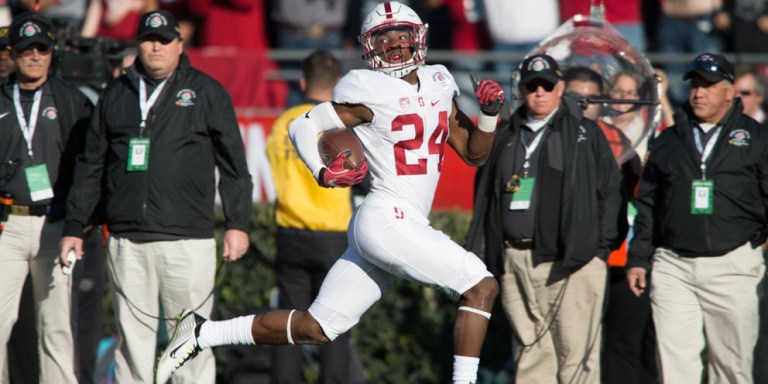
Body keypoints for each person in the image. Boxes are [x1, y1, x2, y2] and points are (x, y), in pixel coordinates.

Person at [155, 2, 504, 384]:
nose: (394, 45)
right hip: (387, 220)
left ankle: (202, 333)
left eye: (400, 35)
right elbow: (303, 125)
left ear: (417, 36)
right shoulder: (367, 89)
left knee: (317, 327)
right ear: (370, 46)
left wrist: (488, 115)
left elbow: (474, 154)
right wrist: (321, 172)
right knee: (480, 285)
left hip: (395, 223)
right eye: (383, 38)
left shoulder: (439, 80)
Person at [58, 9, 253, 384]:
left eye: (164, 40)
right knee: (131, 344)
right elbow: (90, 165)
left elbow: (234, 166)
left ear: (180, 45)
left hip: (188, 239)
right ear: (138, 45)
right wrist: (74, 225)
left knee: (191, 344)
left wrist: (238, 224)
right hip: (128, 240)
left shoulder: (207, 91)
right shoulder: (116, 93)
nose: (156, 47)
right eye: (149, 40)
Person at [466, 54, 622, 384]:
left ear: (560, 88)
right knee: (530, 356)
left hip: (572, 262)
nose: (540, 92)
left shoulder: (584, 132)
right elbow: (484, 199)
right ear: (521, 89)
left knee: (576, 359)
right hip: (515, 259)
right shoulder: (506, 135)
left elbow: (612, 194)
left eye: (547, 85)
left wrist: (597, 252)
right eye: (532, 85)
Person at [626, 53, 768, 384]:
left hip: (732, 264)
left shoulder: (757, 138)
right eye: (695, 84)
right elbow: (648, 203)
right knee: (676, 370)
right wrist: (638, 258)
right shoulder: (669, 140)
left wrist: (757, 242)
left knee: (731, 369)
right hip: (674, 266)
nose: (699, 92)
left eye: (708, 85)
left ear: (730, 91)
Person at [0, 12, 94, 384]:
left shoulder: (71, 101)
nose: (35, 56)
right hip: (6, 224)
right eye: (26, 50)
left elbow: (90, 166)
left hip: (55, 225)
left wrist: (78, 223)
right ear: (13, 54)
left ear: (52, 52)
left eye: (42, 48)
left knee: (55, 326)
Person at [265, 49, 366, 384]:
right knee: (333, 326)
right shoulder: (341, 128)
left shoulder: (284, 123)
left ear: (303, 81)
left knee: (288, 324)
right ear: (338, 84)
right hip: (333, 236)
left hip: (290, 233)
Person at [563, 66, 656, 383]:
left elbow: (643, 195)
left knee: (623, 346)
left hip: (617, 259)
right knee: (571, 347)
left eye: (592, 97)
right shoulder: (548, 134)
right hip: (565, 259)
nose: (584, 103)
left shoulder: (615, 137)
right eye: (576, 96)